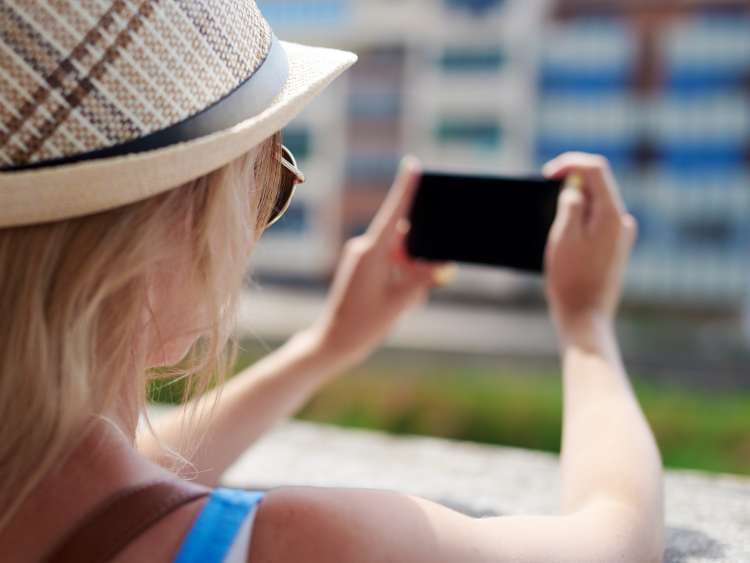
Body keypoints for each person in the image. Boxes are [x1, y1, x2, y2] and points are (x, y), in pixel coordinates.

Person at [0, 2, 663, 562]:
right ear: (167, 222)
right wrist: (585, 325)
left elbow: (117, 472)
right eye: (266, 180)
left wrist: (328, 345)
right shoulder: (310, 541)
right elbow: (615, 535)